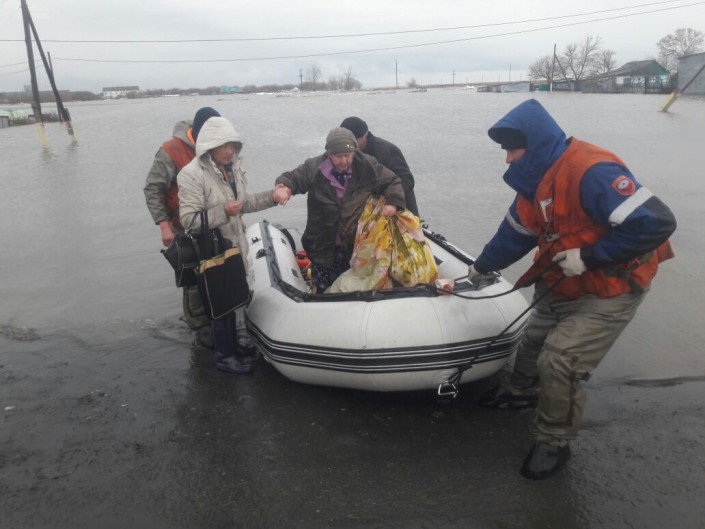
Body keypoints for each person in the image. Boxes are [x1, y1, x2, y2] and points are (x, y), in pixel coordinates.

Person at [468, 99, 676, 480]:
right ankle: (521, 393)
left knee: (560, 360)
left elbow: (657, 222)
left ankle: (554, 442)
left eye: (512, 150)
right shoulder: (533, 183)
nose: (508, 159)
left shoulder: (592, 171)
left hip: (611, 286)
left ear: (534, 144)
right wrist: (480, 267)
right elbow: (513, 235)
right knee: (533, 339)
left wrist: (591, 257)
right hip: (563, 282)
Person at [178, 116, 291, 374]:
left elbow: (244, 203)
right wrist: (224, 212)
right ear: (209, 146)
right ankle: (224, 357)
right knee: (220, 304)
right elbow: (188, 220)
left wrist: (272, 196)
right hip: (210, 250)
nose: (230, 151)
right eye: (224, 146)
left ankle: (233, 348)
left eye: (232, 145)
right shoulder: (191, 175)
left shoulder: (233, 169)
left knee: (231, 299)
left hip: (234, 245)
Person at [275, 127, 406, 292]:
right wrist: (283, 187)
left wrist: (393, 203)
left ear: (354, 152)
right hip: (323, 244)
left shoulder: (367, 165)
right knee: (324, 289)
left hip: (356, 246)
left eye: (347, 155)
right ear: (329, 153)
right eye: (338, 156)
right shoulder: (313, 168)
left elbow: (392, 181)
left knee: (353, 288)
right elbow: (293, 178)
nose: (344, 161)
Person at [144, 107, 221, 349]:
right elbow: (153, 189)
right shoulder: (171, 151)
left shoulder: (217, 147)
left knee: (217, 272)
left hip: (214, 222)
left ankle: (216, 317)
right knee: (192, 277)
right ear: (197, 133)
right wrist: (164, 226)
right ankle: (199, 328)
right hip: (183, 226)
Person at [340, 116, 420, 217]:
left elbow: (407, 180)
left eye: (350, 142)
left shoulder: (387, 151)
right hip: (371, 213)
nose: (347, 146)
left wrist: (391, 201)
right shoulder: (348, 155)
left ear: (363, 137)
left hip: (400, 211)